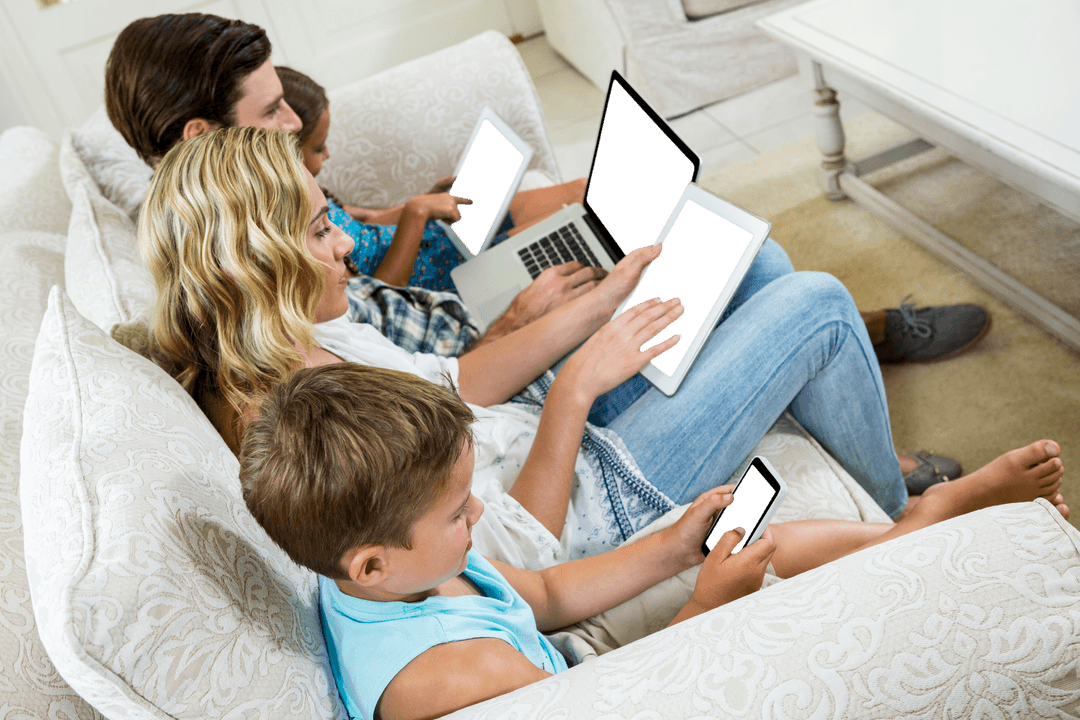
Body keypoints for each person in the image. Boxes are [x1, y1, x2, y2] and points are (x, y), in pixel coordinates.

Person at [138, 128, 1067, 584]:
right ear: (255, 259)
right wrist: (577, 384)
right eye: (317, 231)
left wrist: (594, 303)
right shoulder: (300, 415)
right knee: (818, 303)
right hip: (591, 501)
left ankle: (856, 431)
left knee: (755, 264)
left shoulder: (309, 328)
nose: (344, 242)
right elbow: (515, 548)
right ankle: (904, 511)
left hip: (540, 431)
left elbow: (458, 384)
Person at [105, 13, 979, 490]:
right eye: (271, 112)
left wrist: (520, 314)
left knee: (754, 262)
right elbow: (457, 438)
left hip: (492, 353)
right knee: (796, 292)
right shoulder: (261, 315)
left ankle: (854, 406)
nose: (294, 122)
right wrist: (546, 341)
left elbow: (434, 372)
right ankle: (882, 463)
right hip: (541, 419)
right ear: (202, 136)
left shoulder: (262, 249)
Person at [239, 361, 1067, 720]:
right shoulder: (451, 676)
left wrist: (674, 548)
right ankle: (927, 528)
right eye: (458, 513)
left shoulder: (405, 566)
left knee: (769, 542)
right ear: (372, 562)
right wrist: (707, 606)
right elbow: (621, 705)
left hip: (560, 671)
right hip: (601, 694)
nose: (478, 514)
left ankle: (920, 523)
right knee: (759, 581)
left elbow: (549, 594)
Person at [277, 65, 586, 293]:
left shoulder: (310, 191)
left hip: (439, 236)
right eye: (318, 147)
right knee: (578, 223)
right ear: (286, 151)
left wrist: (426, 201)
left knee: (583, 190)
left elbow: (369, 220)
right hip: (445, 275)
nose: (328, 153)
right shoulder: (297, 228)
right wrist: (417, 212)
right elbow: (382, 296)